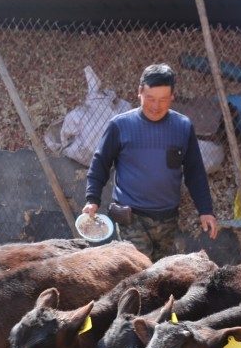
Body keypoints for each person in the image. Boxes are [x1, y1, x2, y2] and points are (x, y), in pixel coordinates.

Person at [82, 63, 218, 262]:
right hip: (130, 216)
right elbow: (100, 163)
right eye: (150, 98)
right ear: (139, 93)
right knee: (138, 271)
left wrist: (205, 210)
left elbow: (194, 171)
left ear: (172, 97)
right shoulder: (120, 126)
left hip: (168, 217)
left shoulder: (182, 127)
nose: (156, 106)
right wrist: (92, 199)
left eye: (163, 99)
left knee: (159, 273)